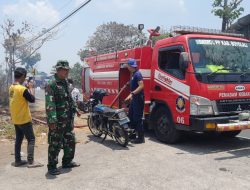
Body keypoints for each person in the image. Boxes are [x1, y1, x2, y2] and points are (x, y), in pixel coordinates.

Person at [45, 60, 80, 175]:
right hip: (58, 121)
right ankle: (52, 167)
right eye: (65, 70)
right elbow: (50, 103)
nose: (67, 72)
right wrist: (52, 120)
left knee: (70, 141)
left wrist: (75, 108)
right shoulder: (52, 84)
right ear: (58, 70)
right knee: (55, 143)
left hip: (68, 120)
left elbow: (69, 98)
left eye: (67, 70)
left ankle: (67, 161)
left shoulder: (65, 82)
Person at [9, 67, 43, 168]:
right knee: (31, 139)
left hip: (16, 118)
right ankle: (31, 162)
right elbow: (32, 99)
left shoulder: (12, 87)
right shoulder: (22, 89)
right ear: (23, 76)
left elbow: (20, 97)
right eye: (25, 77)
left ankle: (17, 160)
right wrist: (31, 87)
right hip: (24, 119)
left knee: (19, 139)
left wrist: (27, 87)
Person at [125, 58, 145, 144]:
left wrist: (132, 94)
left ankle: (141, 138)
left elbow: (141, 86)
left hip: (138, 98)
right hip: (134, 99)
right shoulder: (133, 74)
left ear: (130, 66)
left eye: (128, 66)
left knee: (137, 118)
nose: (127, 67)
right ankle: (132, 135)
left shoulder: (138, 74)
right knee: (131, 116)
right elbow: (134, 83)